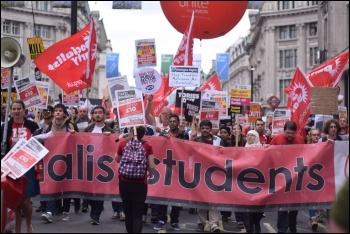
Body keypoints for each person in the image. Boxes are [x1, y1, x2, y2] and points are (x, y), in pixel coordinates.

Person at [1, 100, 40, 233]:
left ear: (24, 110)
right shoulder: (6, 126)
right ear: (10, 111)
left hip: (27, 166)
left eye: (19, 108)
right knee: (16, 200)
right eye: (14, 109)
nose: (16, 111)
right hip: (10, 166)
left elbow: (40, 143)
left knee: (25, 199)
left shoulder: (33, 125)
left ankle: (29, 223)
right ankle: (18, 230)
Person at [41, 104, 79, 223]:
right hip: (52, 160)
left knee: (66, 185)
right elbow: (44, 139)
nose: (57, 112)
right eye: (56, 110)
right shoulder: (49, 126)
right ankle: (49, 212)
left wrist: (74, 135)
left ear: (64, 113)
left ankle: (66, 211)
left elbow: (80, 140)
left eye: (60, 111)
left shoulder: (70, 125)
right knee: (52, 185)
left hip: (67, 159)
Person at [115, 126, 155, 233]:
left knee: (128, 213)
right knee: (137, 214)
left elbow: (117, 159)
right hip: (140, 184)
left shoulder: (123, 143)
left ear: (131, 132)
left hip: (125, 182)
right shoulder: (147, 145)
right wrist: (150, 173)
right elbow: (151, 166)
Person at [154, 114, 189, 231]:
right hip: (165, 168)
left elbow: (188, 150)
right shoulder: (163, 134)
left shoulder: (184, 135)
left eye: (175, 121)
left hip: (178, 168)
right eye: (171, 121)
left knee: (176, 196)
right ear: (168, 123)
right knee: (162, 195)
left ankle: (174, 221)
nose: (173, 123)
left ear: (178, 123)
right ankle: (161, 219)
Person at [270, 120, 305, 233]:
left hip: (295, 176)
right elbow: (269, 153)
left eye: (292, 133)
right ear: (283, 131)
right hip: (281, 175)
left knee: (294, 205)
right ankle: (282, 228)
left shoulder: (300, 140)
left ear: (296, 132)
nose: (290, 135)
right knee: (282, 204)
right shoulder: (276, 139)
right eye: (288, 133)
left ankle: (292, 227)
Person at [83, 106, 115, 225]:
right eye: (95, 113)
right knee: (87, 190)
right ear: (92, 115)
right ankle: (93, 206)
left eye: (100, 113)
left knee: (99, 190)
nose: (97, 115)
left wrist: (110, 138)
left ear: (104, 115)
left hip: (103, 163)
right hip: (89, 162)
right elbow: (79, 141)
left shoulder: (109, 131)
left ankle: (95, 216)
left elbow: (116, 145)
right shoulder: (88, 129)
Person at [192, 119, 224, 233]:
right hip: (200, 173)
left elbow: (225, 154)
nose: (205, 130)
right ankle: (201, 222)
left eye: (207, 128)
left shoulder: (218, 140)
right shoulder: (196, 140)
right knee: (201, 199)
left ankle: (214, 224)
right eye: (203, 128)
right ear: (200, 129)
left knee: (214, 199)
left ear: (211, 129)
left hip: (215, 174)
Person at [243, 130, 264, 233]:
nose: (250, 137)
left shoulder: (262, 149)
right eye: (248, 135)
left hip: (258, 182)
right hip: (246, 181)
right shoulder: (243, 149)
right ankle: (249, 228)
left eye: (252, 135)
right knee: (247, 208)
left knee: (258, 207)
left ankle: (256, 223)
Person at [230, 123, 246, 229]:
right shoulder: (227, 141)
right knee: (236, 196)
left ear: (241, 130)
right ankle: (239, 219)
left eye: (238, 129)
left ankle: (245, 217)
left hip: (244, 171)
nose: (236, 130)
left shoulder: (245, 141)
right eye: (234, 129)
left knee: (244, 196)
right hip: (231, 172)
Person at [306, 127, 321, 231]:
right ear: (310, 136)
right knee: (311, 198)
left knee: (319, 199)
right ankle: (313, 218)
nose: (316, 136)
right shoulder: (305, 147)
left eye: (317, 135)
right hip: (309, 176)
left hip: (322, 176)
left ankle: (314, 217)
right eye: (314, 135)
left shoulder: (324, 145)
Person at [218, 125, 232, 222]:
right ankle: (223, 213)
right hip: (219, 171)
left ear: (229, 134)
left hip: (230, 171)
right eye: (221, 132)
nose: (223, 134)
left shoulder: (231, 144)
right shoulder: (217, 143)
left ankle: (227, 213)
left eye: (225, 132)